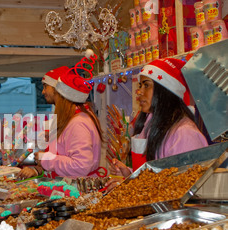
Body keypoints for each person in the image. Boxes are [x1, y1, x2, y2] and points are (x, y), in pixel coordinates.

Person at [108, 58, 208, 184]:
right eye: (140, 86)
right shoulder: (150, 125)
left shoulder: (185, 134)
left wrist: (129, 188)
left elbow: (179, 187)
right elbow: (155, 174)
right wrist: (130, 175)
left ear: (165, 90)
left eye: (146, 85)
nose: (139, 92)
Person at [18, 51, 103, 179]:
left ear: (58, 90)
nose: (43, 92)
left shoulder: (78, 123)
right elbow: (63, 157)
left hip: (77, 190)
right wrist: (38, 168)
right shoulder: (70, 120)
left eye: (46, 86)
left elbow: (81, 166)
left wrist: (47, 159)